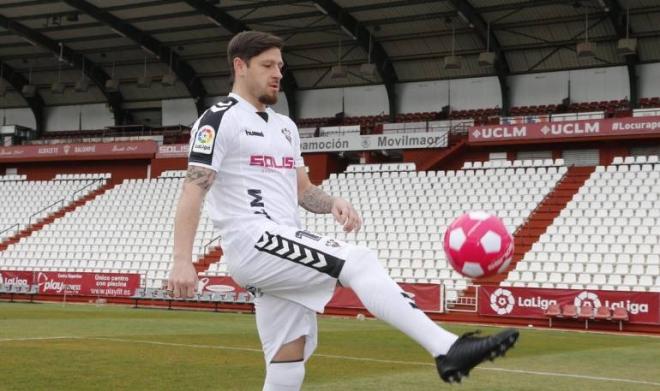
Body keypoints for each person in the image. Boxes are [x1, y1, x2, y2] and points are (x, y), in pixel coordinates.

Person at [168, 31, 518, 390]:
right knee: (359, 261)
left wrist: (332, 202)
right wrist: (183, 259)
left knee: (288, 356)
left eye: (281, 66)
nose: (278, 74)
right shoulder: (218, 119)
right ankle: (447, 348)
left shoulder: (285, 128)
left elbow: (302, 191)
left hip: (278, 244)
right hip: (252, 239)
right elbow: (194, 186)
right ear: (239, 67)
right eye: (267, 65)